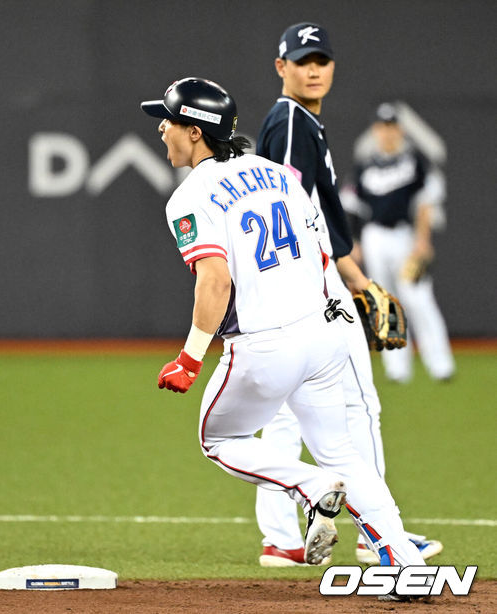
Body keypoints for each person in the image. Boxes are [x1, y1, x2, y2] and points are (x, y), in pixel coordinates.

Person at [140, 76, 426, 580]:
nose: (161, 128)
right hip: (322, 335)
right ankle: (404, 561)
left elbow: (215, 281)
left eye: (169, 120)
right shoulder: (277, 173)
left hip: (265, 347)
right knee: (342, 453)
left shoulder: (189, 196)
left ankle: (310, 488)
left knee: (219, 438)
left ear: (194, 132)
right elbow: (320, 254)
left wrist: (189, 357)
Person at [255, 22, 442, 567]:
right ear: (280, 66)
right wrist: (351, 281)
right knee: (359, 407)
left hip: (292, 291)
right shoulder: (290, 120)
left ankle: (280, 538)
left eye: (322, 60)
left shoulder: (301, 120)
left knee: (289, 417)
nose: (314, 69)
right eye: (302, 59)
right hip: (311, 287)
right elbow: (288, 208)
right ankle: (380, 537)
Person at [341, 102, 455, 383]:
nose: (388, 133)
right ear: (375, 130)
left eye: (392, 127)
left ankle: (440, 365)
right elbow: (352, 207)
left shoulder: (414, 161)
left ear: (400, 130)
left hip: (405, 237)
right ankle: (397, 368)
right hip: (375, 237)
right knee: (385, 301)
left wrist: (423, 240)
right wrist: (355, 241)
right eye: (383, 127)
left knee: (419, 298)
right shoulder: (364, 167)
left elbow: (426, 202)